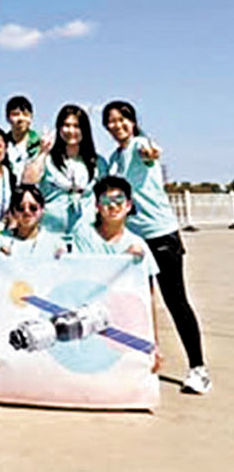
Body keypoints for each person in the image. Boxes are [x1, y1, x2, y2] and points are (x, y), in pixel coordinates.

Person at [102, 100, 210, 394]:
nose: (117, 125)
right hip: (133, 240)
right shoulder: (114, 159)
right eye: (111, 121)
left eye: (122, 119)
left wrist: (153, 154)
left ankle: (198, 369)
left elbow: (150, 154)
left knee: (176, 301)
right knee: (137, 303)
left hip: (161, 235)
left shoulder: (140, 145)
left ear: (132, 121)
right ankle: (142, 362)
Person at [72, 176, 162, 374]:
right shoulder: (84, 235)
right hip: (92, 320)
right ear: (97, 206)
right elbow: (82, 279)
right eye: (105, 201)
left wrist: (154, 342)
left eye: (119, 200)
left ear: (128, 205)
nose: (112, 206)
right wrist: (122, 261)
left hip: (125, 320)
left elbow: (148, 297)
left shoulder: (138, 244)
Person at [22, 104, 106, 241]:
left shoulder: (98, 162)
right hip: (51, 234)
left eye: (77, 126)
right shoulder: (47, 159)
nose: (71, 131)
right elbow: (27, 182)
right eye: (66, 125)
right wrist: (43, 152)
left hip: (85, 235)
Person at [0, 185, 66, 258]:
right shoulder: (1, 242)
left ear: (42, 209)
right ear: (13, 211)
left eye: (33, 208)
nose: (27, 212)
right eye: (20, 208)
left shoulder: (55, 244)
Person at [3, 94, 41, 179]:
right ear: (8, 117)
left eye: (25, 114)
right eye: (15, 114)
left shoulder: (40, 143)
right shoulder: (2, 144)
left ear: (31, 117)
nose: (21, 119)